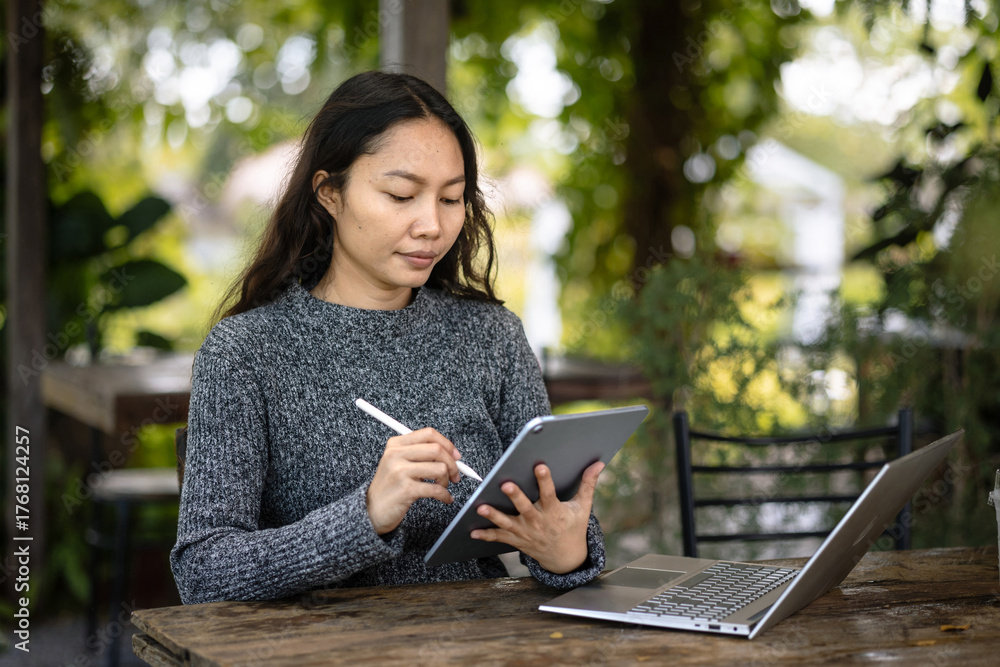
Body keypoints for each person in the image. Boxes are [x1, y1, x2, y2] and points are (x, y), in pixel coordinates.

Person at [170, 71, 607, 604]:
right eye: (401, 195)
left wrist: (566, 555)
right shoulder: (245, 353)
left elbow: (560, 524)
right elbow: (203, 573)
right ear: (330, 193)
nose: (431, 224)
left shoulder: (491, 338)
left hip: (484, 645)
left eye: (451, 199)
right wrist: (366, 516)